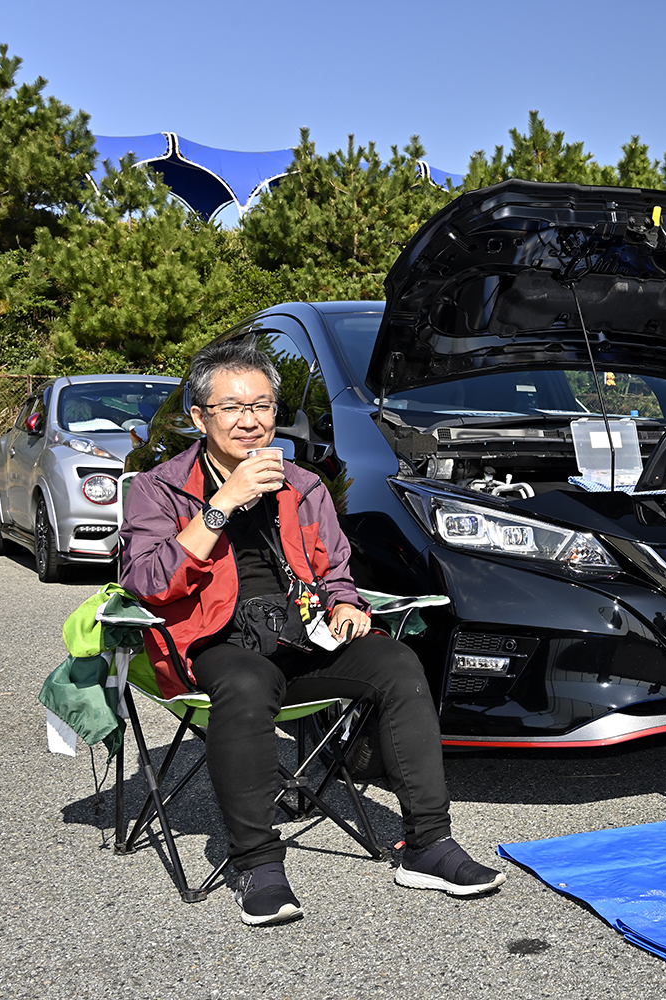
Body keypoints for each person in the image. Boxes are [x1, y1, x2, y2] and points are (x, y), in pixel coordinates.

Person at [119, 338, 503, 926]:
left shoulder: (303, 485)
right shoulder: (157, 490)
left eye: (264, 407)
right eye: (234, 408)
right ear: (200, 418)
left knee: (398, 663)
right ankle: (257, 861)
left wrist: (346, 604)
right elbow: (148, 581)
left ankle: (426, 843)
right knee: (245, 687)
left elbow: (333, 569)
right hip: (217, 645)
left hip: (301, 635)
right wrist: (224, 503)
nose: (251, 422)